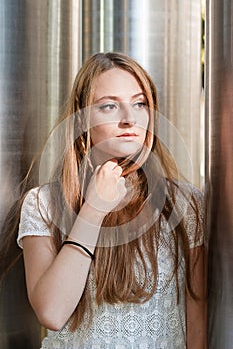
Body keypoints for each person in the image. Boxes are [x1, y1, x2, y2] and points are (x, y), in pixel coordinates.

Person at [1, 52, 206, 348]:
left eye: (140, 103)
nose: (129, 119)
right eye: (109, 106)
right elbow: (52, 313)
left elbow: (196, 326)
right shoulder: (43, 204)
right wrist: (94, 209)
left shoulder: (186, 204)